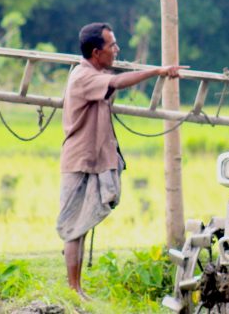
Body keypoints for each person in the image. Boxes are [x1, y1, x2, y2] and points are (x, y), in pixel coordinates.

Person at [56, 22, 185, 298]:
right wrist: (157, 71)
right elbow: (116, 82)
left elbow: (113, 81)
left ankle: (77, 287)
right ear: (95, 52)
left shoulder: (95, 72)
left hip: (95, 158)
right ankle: (72, 289)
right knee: (73, 227)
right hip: (81, 160)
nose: (116, 50)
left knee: (81, 225)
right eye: (111, 46)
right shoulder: (84, 76)